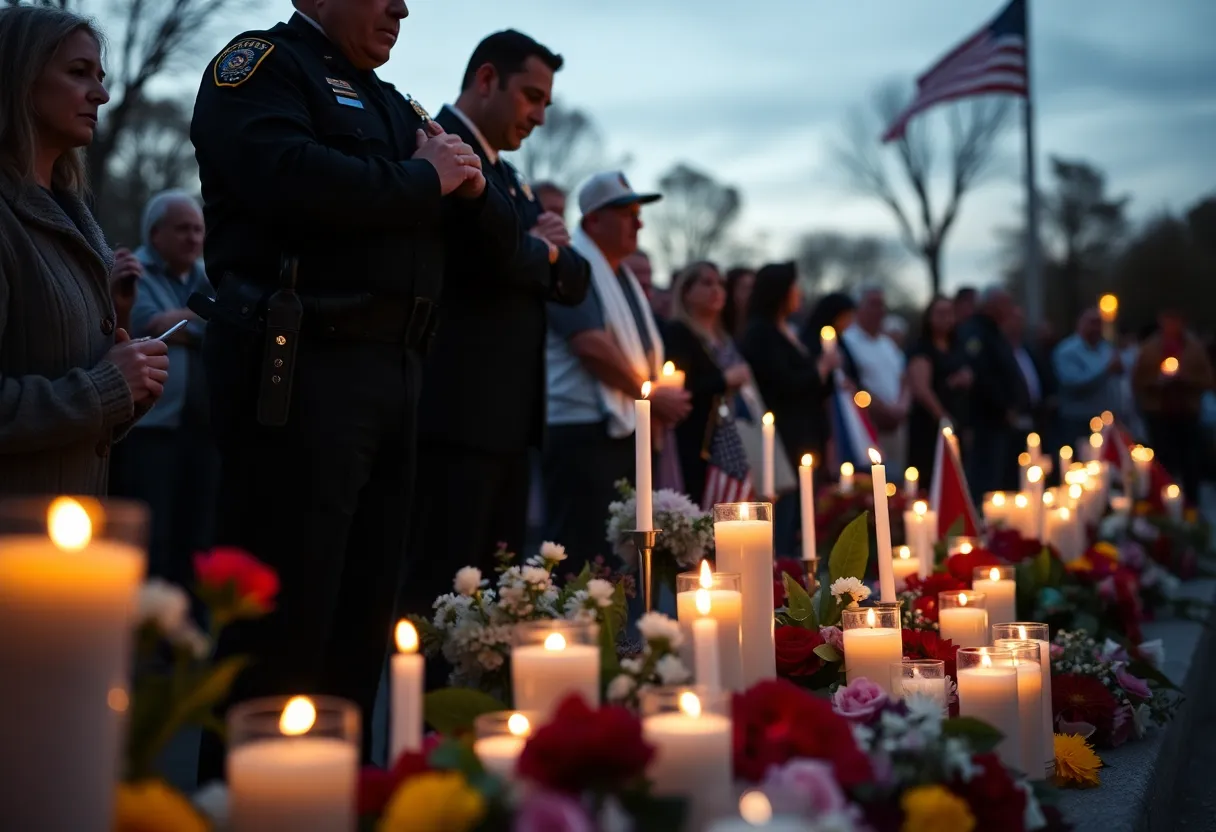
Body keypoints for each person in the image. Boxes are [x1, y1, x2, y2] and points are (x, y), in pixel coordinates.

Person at [189, 0, 519, 775]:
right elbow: (285, 178)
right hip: (303, 372)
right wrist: (419, 177)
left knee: (360, 621)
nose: (402, 7)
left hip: (394, 377)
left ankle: (333, 796)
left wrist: (467, 192)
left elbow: (502, 247)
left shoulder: (391, 102)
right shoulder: (263, 66)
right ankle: (242, 803)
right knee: (284, 622)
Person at [408, 30, 589, 610]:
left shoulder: (510, 178)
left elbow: (573, 279)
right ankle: (427, 705)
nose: (538, 116)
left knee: (498, 596)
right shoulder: (440, 144)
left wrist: (544, 252)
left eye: (545, 103)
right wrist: (537, 251)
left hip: (508, 423)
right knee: (446, 594)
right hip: (455, 415)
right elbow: (490, 257)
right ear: (487, 79)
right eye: (530, 96)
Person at [0, 5, 169, 497]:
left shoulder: (76, 217)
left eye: (100, 75)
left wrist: (129, 387)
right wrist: (107, 388)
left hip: (65, 534)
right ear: (18, 78)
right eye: (78, 73)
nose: (102, 93)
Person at [542, 171, 689, 571]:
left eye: (638, 214)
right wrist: (652, 394)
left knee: (618, 557)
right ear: (592, 220)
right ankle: (580, 634)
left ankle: (620, 634)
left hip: (620, 429)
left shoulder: (619, 272)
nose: (639, 223)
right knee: (584, 555)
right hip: (583, 431)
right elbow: (590, 344)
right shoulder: (572, 264)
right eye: (626, 213)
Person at [109, 190, 218, 592]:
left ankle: (189, 636)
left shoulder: (207, 277)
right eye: (183, 229)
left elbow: (183, 327)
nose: (193, 238)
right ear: (156, 235)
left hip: (202, 431)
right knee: (155, 538)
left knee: (199, 538)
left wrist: (182, 324)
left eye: (198, 230)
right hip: (151, 430)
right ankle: (149, 632)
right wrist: (208, 317)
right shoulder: (132, 274)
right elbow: (151, 326)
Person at [739, 262, 838, 554]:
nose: (800, 293)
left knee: (803, 518)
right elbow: (786, 384)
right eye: (795, 288)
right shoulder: (760, 332)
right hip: (784, 436)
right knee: (786, 518)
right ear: (780, 292)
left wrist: (827, 369)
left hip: (807, 430)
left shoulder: (789, 330)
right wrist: (822, 366)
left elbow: (816, 388)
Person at [662, 261, 754, 504]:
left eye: (721, 284)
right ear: (686, 292)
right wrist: (724, 380)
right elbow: (682, 389)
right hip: (697, 441)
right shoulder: (678, 332)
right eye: (707, 283)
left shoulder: (725, 337)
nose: (717, 290)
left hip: (730, 437)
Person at [1133, 309, 1215, 499]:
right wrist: (1157, 382)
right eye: (1169, 319)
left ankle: (1191, 507)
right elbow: (1138, 381)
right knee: (1163, 461)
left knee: (1190, 462)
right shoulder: (1148, 349)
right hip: (1158, 413)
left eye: (1177, 319)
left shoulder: (1195, 348)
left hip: (1188, 413)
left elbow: (1208, 380)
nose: (1173, 324)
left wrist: (1186, 380)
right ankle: (1162, 504)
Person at [956, 286, 1026, 500]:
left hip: (999, 421)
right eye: (1006, 303)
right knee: (983, 481)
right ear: (991, 305)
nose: (1010, 309)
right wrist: (1004, 406)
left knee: (998, 479)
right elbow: (981, 375)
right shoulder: (976, 331)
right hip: (985, 421)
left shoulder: (995, 331)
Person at [842, 286, 910, 472]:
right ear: (859, 308)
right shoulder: (849, 342)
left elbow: (904, 377)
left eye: (882, 305)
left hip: (896, 425)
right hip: (870, 425)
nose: (880, 311)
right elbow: (854, 384)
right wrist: (882, 409)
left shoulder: (887, 343)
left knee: (897, 480)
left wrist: (902, 405)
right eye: (873, 305)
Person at [906, 296, 972, 483]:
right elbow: (921, 388)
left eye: (949, 313)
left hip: (958, 420)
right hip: (931, 426)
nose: (946, 319)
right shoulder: (922, 349)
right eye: (940, 313)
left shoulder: (957, 347)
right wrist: (944, 419)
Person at [1052, 306, 1123, 451]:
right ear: (1080, 323)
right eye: (1092, 322)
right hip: (1079, 420)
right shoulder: (1067, 351)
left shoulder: (1106, 348)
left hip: (1105, 420)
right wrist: (1106, 371)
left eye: (1099, 323)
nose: (1096, 327)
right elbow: (1073, 383)